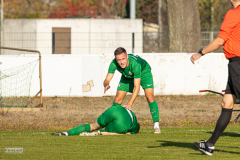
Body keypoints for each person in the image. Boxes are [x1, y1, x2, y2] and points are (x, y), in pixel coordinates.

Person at [190, 0, 240, 156]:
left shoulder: (233, 13)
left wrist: (201, 53)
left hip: (238, 65)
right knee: (227, 102)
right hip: (235, 64)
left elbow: (220, 41)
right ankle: (210, 145)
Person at [103, 47, 160, 134]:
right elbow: (107, 79)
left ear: (127, 56)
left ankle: (156, 126)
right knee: (117, 99)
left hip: (144, 72)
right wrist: (106, 84)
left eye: (123, 59)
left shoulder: (135, 64)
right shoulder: (113, 63)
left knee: (150, 97)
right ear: (115, 59)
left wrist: (130, 104)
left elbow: (137, 87)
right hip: (127, 76)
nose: (121, 62)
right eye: (119, 60)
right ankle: (111, 124)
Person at [52, 103, 140, 136]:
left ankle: (66, 133)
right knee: (108, 130)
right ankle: (100, 133)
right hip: (121, 123)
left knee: (92, 126)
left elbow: (125, 107)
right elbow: (128, 134)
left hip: (115, 109)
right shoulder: (134, 128)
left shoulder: (133, 115)